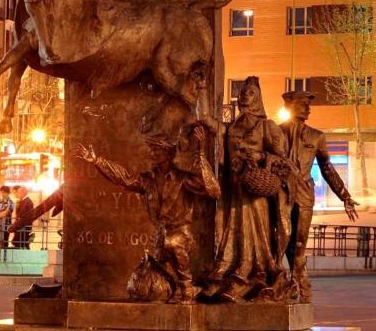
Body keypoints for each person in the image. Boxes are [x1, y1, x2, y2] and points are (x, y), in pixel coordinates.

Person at [77, 125, 220, 303]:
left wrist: (200, 154)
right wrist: (97, 161)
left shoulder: (182, 179)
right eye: (151, 149)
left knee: (172, 243)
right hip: (160, 239)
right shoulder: (148, 180)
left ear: (169, 153)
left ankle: (187, 287)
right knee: (148, 287)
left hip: (182, 236)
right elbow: (124, 178)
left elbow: (213, 190)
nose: (152, 153)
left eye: (157, 149)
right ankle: (176, 290)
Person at [203, 76, 295, 302]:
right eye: (243, 91)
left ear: (258, 98)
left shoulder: (266, 126)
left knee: (256, 233)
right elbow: (207, 120)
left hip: (255, 192)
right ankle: (230, 271)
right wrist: (202, 87)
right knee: (232, 232)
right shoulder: (232, 127)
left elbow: (283, 159)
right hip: (234, 191)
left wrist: (259, 156)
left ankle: (256, 272)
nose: (245, 95)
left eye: (251, 92)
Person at [280, 90, 359, 303]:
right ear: (288, 106)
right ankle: (280, 284)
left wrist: (344, 195)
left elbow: (327, 168)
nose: (308, 108)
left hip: (304, 194)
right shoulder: (274, 132)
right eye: (302, 103)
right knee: (278, 240)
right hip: (279, 193)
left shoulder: (316, 136)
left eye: (309, 104)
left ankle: (300, 286)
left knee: (299, 243)